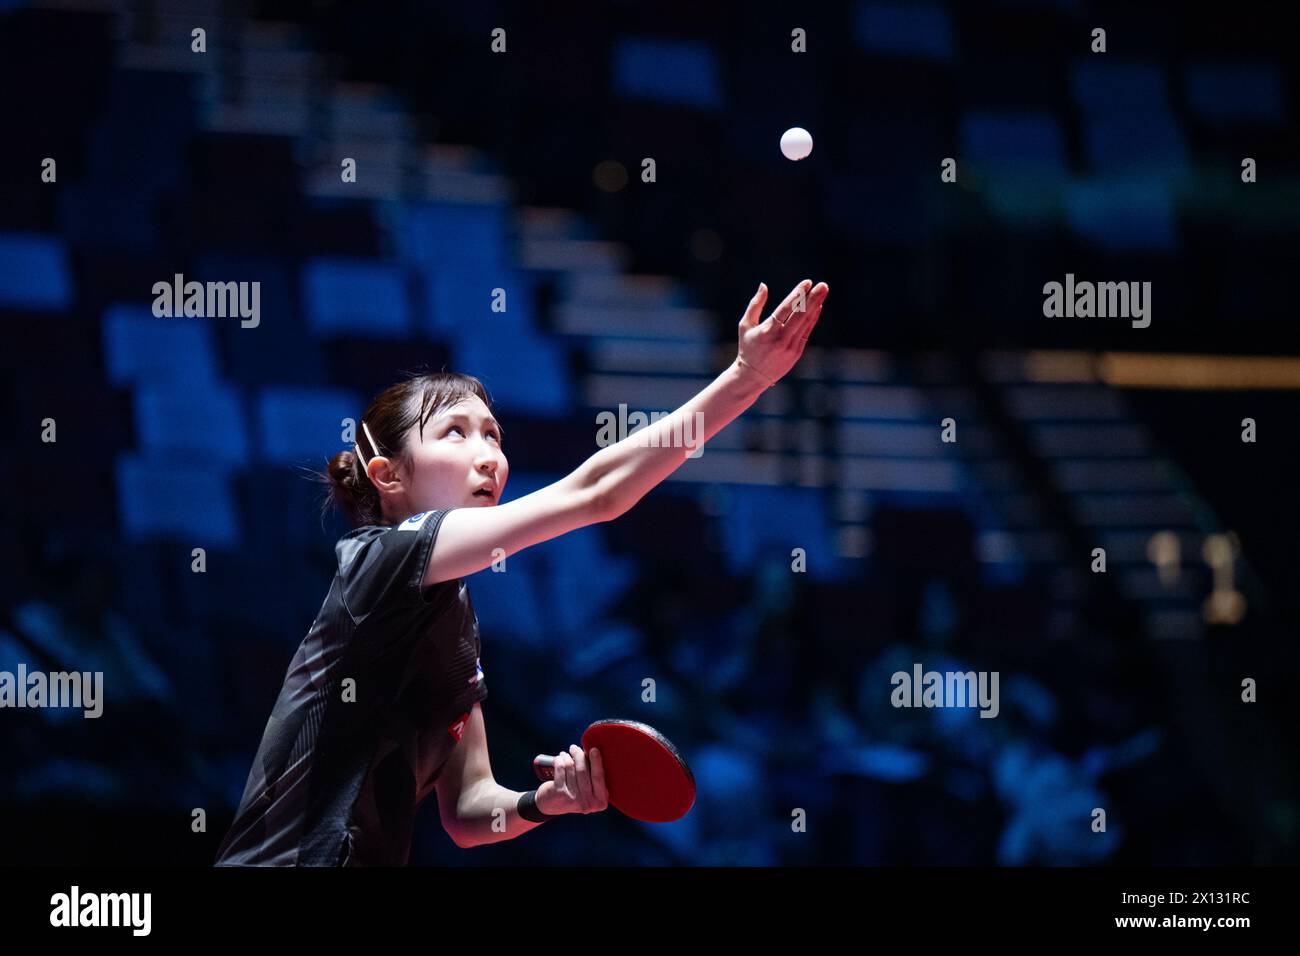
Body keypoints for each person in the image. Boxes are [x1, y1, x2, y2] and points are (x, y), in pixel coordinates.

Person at [213, 279, 829, 865]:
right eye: (455, 433)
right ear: (389, 476)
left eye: (493, 435)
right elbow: (598, 492)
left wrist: (544, 802)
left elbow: (469, 810)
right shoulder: (382, 557)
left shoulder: (451, 616)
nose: (488, 455)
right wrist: (745, 380)